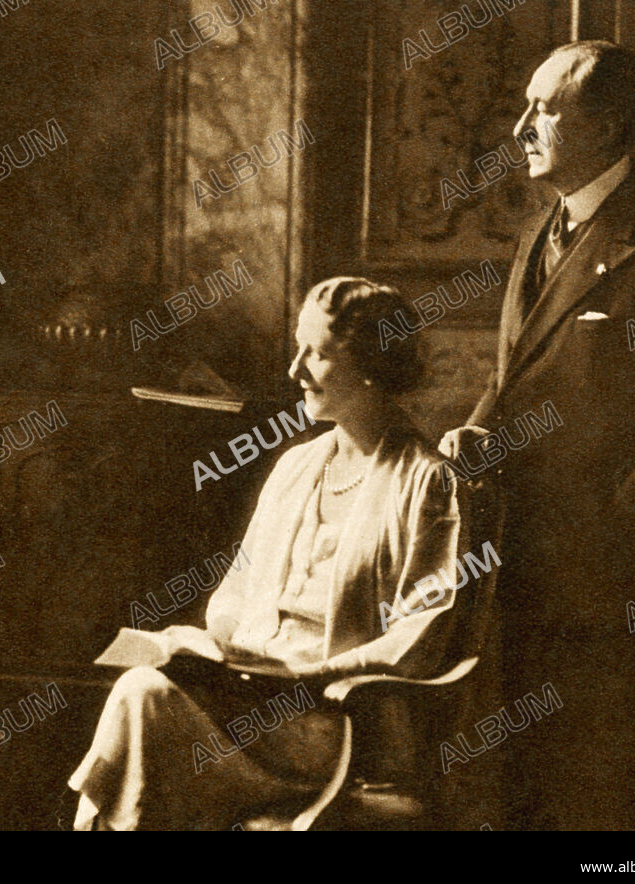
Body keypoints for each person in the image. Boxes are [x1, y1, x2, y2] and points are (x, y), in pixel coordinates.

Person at [441, 41, 635, 829]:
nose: (520, 126)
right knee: (533, 794)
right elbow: (517, 375)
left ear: (610, 125)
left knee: (611, 800)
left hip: (629, 589)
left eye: (545, 108)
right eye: (524, 104)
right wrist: (477, 430)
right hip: (525, 574)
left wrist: (628, 511)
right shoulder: (538, 236)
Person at [67, 277, 474, 830]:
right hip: (246, 698)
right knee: (145, 688)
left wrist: (310, 673)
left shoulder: (427, 483)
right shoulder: (296, 467)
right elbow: (236, 589)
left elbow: (420, 638)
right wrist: (215, 652)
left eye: (318, 354)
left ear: (372, 364)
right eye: (298, 349)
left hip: (335, 719)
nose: (295, 371)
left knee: (145, 702)